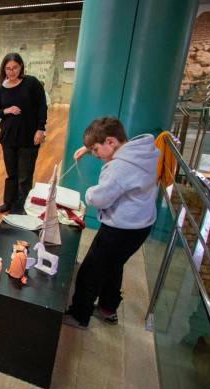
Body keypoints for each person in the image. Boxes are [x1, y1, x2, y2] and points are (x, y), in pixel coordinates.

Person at [63, 118, 159, 330]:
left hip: (120, 229)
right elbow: (113, 154)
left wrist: (88, 193)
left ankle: (79, 315)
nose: (95, 154)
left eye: (96, 149)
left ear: (111, 141)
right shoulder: (141, 151)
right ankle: (107, 308)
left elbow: (99, 199)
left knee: (90, 271)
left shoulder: (118, 168)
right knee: (114, 266)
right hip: (140, 227)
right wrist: (88, 149)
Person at [0, 53, 47, 213]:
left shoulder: (31, 83)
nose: (11, 71)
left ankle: (22, 206)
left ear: (21, 66)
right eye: (8, 68)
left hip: (29, 136)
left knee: (25, 176)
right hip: (8, 136)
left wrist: (41, 128)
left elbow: (42, 107)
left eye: (15, 67)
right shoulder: (1, 88)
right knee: (11, 173)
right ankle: (9, 202)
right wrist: (7, 110)